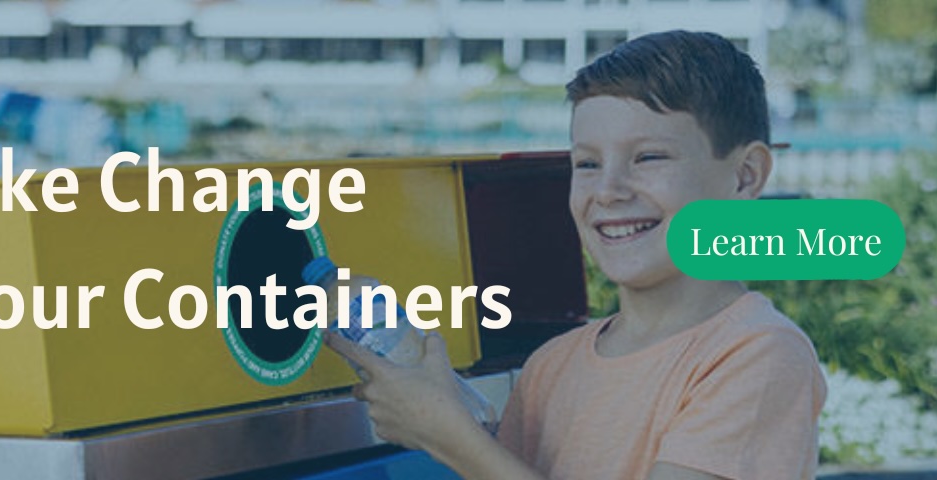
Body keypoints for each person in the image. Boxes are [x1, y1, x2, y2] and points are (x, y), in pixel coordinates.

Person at [326, 30, 827, 480]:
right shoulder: (550, 369)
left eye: (648, 157)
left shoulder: (758, 354)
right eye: (586, 163)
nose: (607, 190)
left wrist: (449, 436)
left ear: (744, 176)